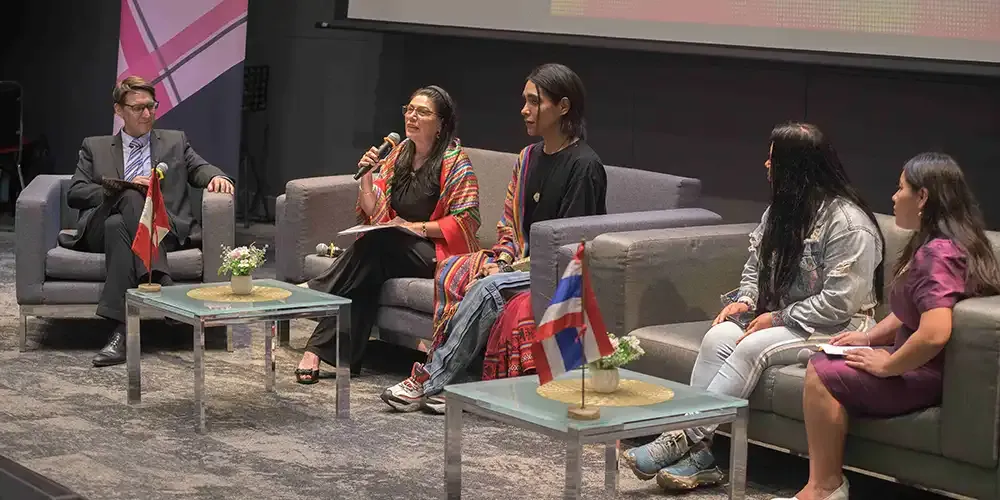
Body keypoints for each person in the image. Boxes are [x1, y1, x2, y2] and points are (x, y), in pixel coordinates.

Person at [621, 122, 886, 491]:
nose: (766, 165)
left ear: (796, 168)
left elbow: (840, 303)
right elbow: (755, 266)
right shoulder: (781, 211)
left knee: (751, 346)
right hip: (784, 320)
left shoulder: (848, 223)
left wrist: (775, 318)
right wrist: (746, 299)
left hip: (839, 327)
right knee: (717, 337)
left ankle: (680, 436)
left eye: (773, 159)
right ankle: (703, 455)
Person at [381, 63, 608, 413]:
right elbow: (509, 225)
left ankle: (430, 380)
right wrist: (501, 260)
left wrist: (507, 271)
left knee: (488, 289)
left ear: (563, 107)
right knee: (456, 271)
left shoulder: (584, 166)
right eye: (524, 100)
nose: (524, 110)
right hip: (517, 262)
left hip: (556, 275)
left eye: (534, 102)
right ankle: (459, 383)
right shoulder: (528, 157)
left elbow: (570, 247)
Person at [779, 153, 1000, 500]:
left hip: (925, 372)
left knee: (821, 371)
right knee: (832, 357)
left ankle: (823, 488)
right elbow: (915, 310)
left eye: (900, 189)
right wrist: (868, 338)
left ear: (923, 197)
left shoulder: (938, 254)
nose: (894, 197)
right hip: (920, 363)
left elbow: (935, 331)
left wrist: (888, 365)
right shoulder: (946, 242)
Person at [294, 85, 480, 383]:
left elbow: (465, 221)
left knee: (379, 242)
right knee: (368, 270)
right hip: (393, 247)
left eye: (422, 112)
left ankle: (313, 291)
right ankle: (319, 351)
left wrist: (414, 228)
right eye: (409, 109)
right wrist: (367, 177)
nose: (412, 116)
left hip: (437, 253)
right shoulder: (399, 155)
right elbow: (376, 213)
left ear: (441, 124)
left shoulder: (455, 162)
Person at [64, 76, 234, 367]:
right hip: (97, 228)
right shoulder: (95, 147)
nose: (147, 114)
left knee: (117, 227)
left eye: (151, 106)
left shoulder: (175, 141)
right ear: (119, 110)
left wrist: (217, 176)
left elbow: (199, 168)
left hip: (159, 228)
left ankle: (121, 333)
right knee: (130, 196)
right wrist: (121, 187)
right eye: (138, 108)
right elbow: (76, 192)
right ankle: (162, 281)